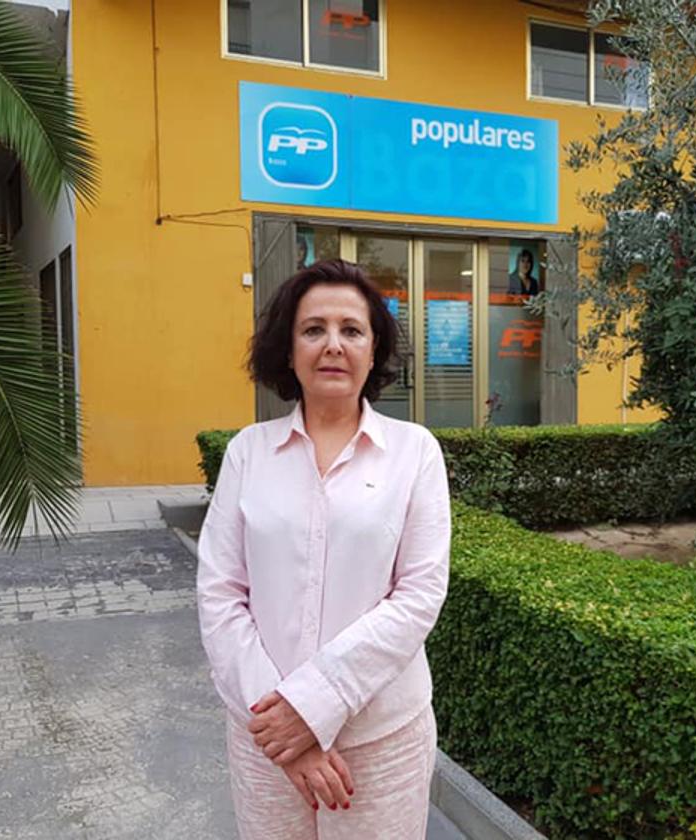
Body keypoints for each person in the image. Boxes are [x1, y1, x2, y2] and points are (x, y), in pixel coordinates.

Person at [196, 259, 452, 840]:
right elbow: (220, 593)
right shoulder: (248, 453)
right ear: (288, 351)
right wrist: (283, 726)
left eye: (351, 330)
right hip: (266, 737)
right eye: (313, 329)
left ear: (373, 349)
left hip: (381, 741)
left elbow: (419, 594)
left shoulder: (414, 452)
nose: (333, 344)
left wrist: (311, 707)